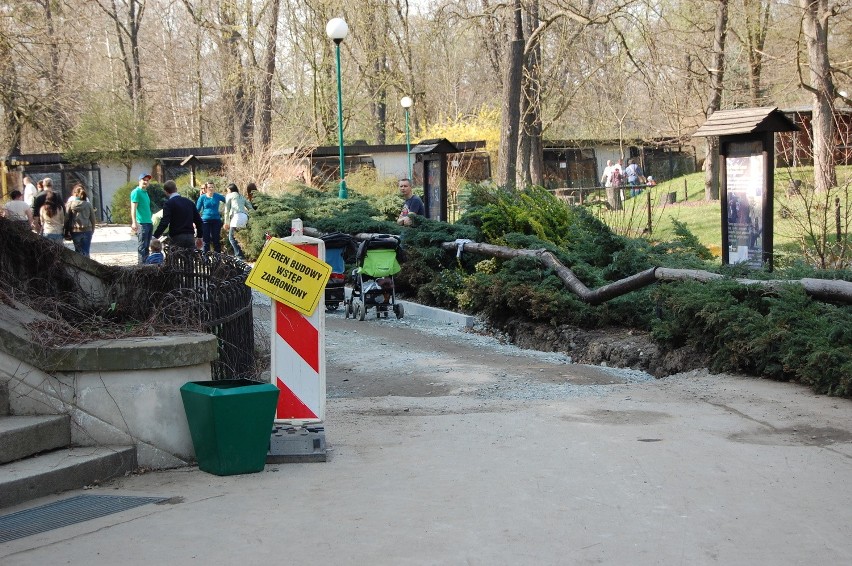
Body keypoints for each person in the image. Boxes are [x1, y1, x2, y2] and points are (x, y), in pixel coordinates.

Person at [153, 180, 203, 250]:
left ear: (166, 192)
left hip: (176, 236)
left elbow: (164, 222)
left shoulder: (169, 204)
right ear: (176, 189)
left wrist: (155, 236)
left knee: (173, 258)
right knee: (190, 259)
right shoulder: (189, 202)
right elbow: (198, 221)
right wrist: (199, 236)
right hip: (190, 236)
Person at [223, 183, 254, 260]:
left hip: (236, 217)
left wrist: (226, 222)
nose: (227, 192)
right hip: (244, 217)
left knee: (231, 238)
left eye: (227, 191)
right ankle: (245, 254)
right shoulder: (241, 196)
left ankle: (239, 256)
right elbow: (250, 208)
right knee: (241, 237)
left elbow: (227, 210)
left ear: (230, 190)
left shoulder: (229, 196)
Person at [66, 184, 96, 257]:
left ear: (75, 194)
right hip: (87, 230)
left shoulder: (70, 204)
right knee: (86, 251)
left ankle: (78, 266)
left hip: (75, 230)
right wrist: (92, 229)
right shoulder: (88, 205)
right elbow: (93, 218)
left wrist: (66, 230)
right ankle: (87, 266)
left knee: (78, 251)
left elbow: (66, 218)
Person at [196, 180, 226, 252]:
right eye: (209, 187)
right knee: (206, 240)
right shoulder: (202, 197)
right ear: (206, 188)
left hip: (216, 220)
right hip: (205, 221)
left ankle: (218, 258)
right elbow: (197, 209)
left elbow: (227, 201)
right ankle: (206, 260)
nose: (211, 189)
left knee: (216, 240)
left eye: (212, 187)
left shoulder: (217, 196)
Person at [131, 173, 154, 263]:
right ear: (139, 181)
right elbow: (133, 208)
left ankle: (146, 265)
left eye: (147, 180)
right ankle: (141, 267)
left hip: (148, 222)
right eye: (144, 180)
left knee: (147, 247)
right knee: (142, 247)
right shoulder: (136, 192)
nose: (146, 182)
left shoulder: (145, 192)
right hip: (142, 223)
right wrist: (134, 222)